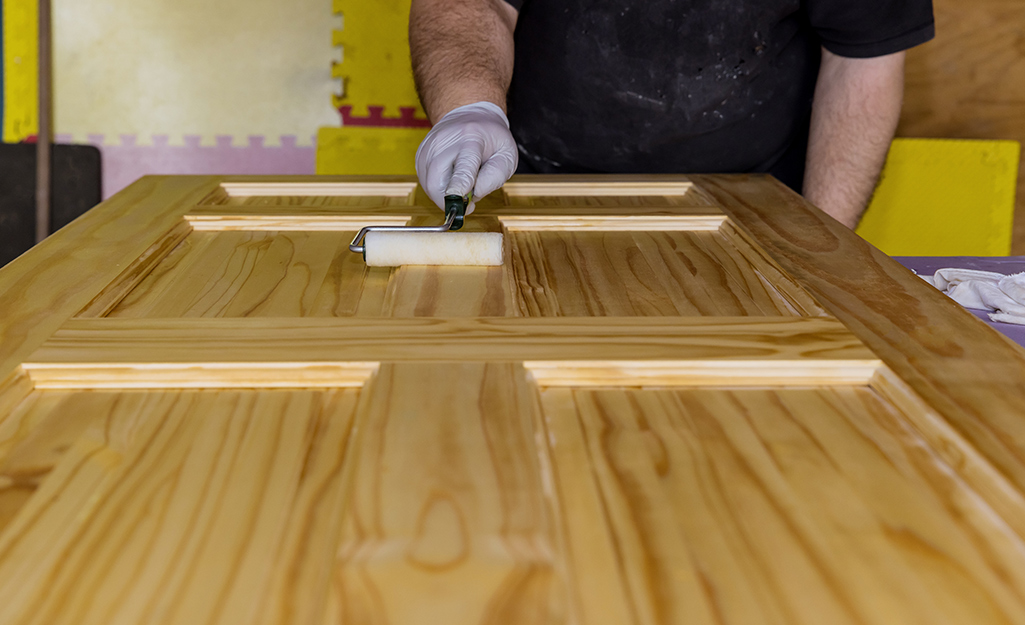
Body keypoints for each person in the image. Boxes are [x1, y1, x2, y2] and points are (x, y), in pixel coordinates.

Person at [409, 0, 934, 228]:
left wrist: (820, 246)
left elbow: (862, 60)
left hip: (757, 209)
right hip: (521, 188)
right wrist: (469, 107)